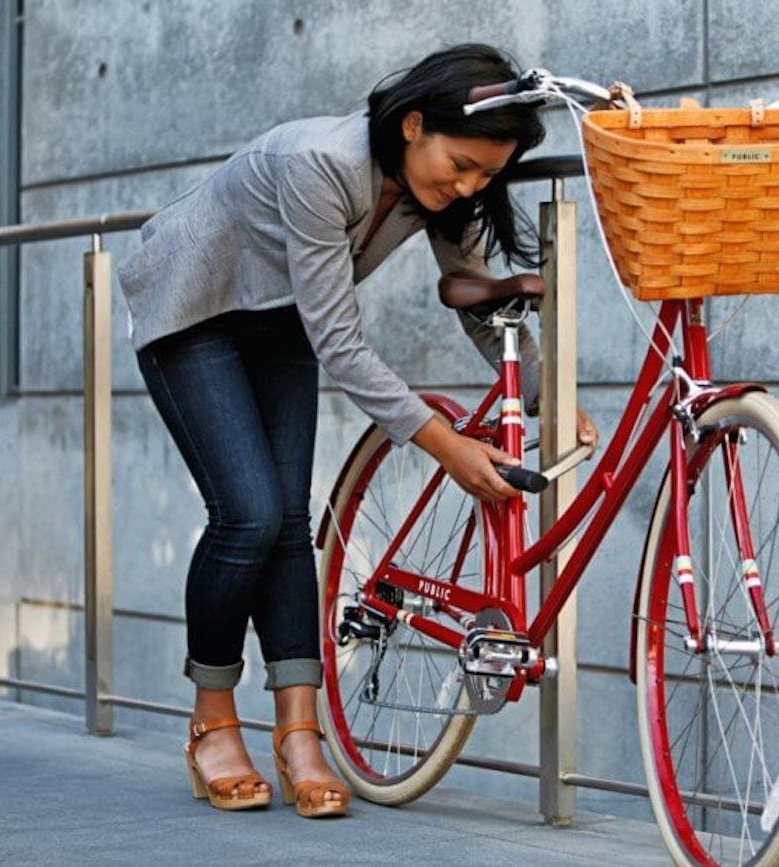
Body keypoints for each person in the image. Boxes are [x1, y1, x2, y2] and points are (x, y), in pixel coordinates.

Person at [119, 43, 598, 819]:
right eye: (463, 164)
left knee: (289, 522)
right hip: (192, 311)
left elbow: (470, 292)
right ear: (414, 125)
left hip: (280, 321)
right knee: (247, 513)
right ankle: (212, 718)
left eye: (487, 174)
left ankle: (298, 733)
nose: (470, 186)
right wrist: (444, 447)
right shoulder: (321, 162)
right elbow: (341, 340)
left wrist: (545, 389)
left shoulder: (437, 189)